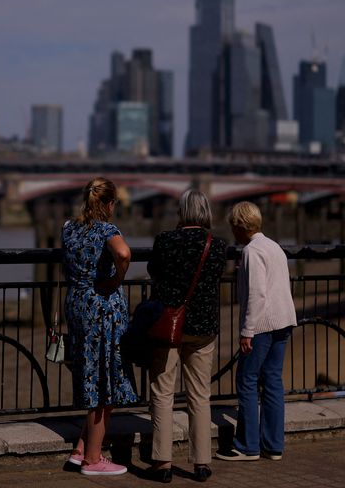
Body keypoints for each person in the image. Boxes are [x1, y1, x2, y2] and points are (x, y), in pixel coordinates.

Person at [145, 189, 227, 483]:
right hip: (203, 328)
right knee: (200, 395)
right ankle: (201, 463)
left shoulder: (164, 241)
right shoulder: (217, 245)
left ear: (181, 212)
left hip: (168, 326)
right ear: (206, 213)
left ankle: (162, 463)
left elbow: (153, 271)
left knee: (163, 393)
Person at [61, 177, 137, 476]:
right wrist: (117, 279)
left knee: (90, 373)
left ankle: (80, 450)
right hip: (102, 308)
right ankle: (94, 459)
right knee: (105, 380)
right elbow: (124, 253)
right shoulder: (107, 230)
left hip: (77, 304)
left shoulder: (69, 228)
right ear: (109, 204)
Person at [216, 201, 297, 462]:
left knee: (247, 380)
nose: (232, 231)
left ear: (239, 226)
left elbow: (257, 295)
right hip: (284, 320)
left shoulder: (251, 251)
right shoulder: (275, 247)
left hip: (262, 324)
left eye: (233, 226)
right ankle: (274, 445)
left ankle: (247, 445)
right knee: (273, 380)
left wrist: (247, 331)